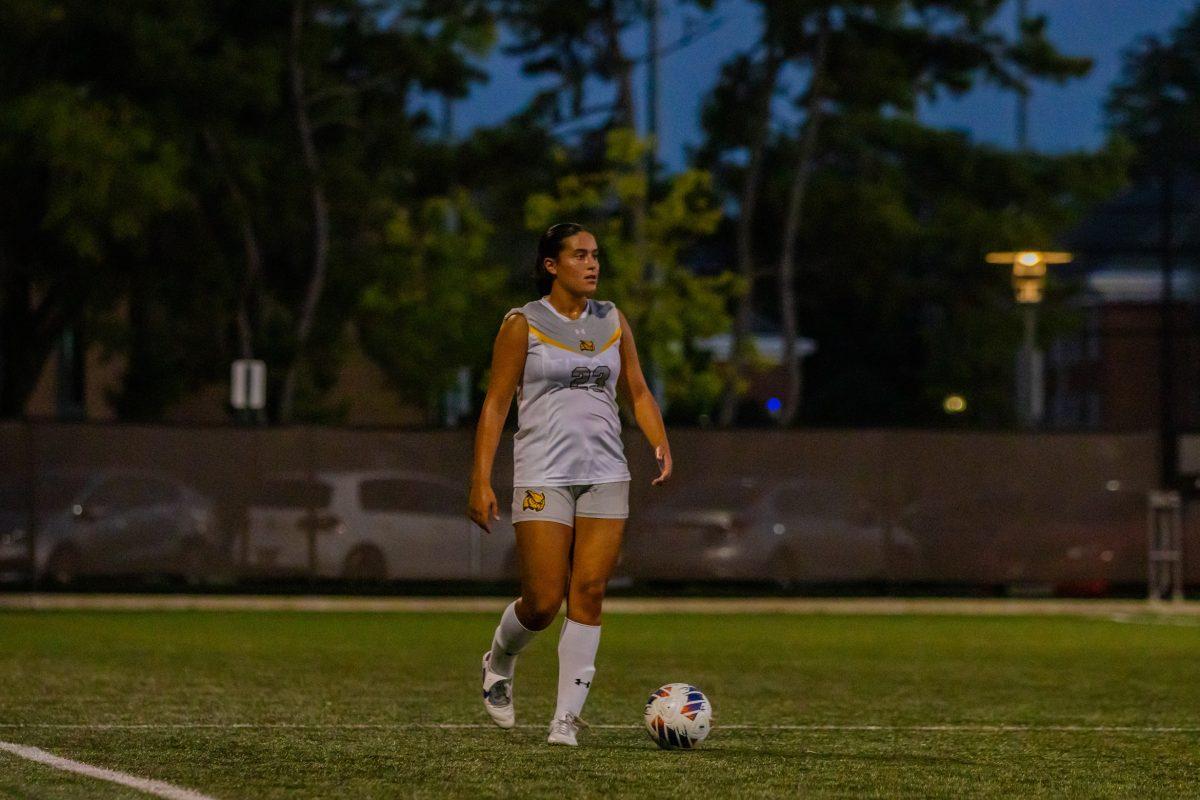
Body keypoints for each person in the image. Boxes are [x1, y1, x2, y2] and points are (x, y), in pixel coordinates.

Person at [467, 222, 672, 746]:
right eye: (580, 255)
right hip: (542, 473)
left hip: (606, 472)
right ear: (551, 265)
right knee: (541, 601)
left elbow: (639, 392)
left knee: (590, 592)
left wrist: (659, 439)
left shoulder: (613, 320)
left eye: (596, 255)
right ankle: (500, 658)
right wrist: (480, 479)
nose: (592, 264)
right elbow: (494, 404)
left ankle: (565, 719)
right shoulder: (523, 323)